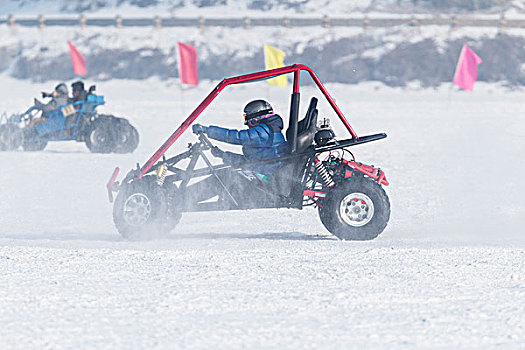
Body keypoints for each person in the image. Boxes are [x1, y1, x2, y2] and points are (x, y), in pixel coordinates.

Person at [186, 99, 289, 207]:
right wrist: (223, 155)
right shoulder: (268, 132)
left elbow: (236, 136)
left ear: (256, 119)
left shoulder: (264, 133)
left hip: (268, 180)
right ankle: (179, 198)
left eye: (247, 120)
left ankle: (180, 199)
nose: (247, 124)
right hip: (265, 175)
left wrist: (208, 130)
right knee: (224, 173)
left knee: (224, 177)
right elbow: (249, 162)